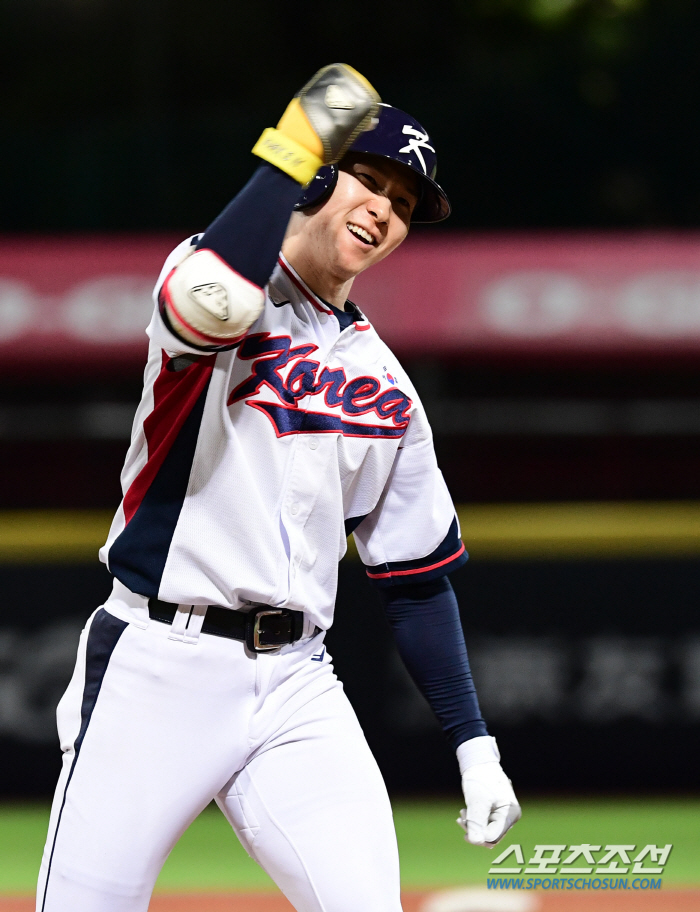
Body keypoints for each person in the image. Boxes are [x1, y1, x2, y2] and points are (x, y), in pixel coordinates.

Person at [37, 64, 520, 912]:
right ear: (322, 178)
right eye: (369, 180)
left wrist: (474, 743)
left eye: (404, 205)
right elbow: (209, 302)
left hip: (298, 679)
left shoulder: (387, 383)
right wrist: (290, 157)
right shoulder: (219, 276)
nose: (383, 209)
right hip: (158, 662)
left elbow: (414, 583)